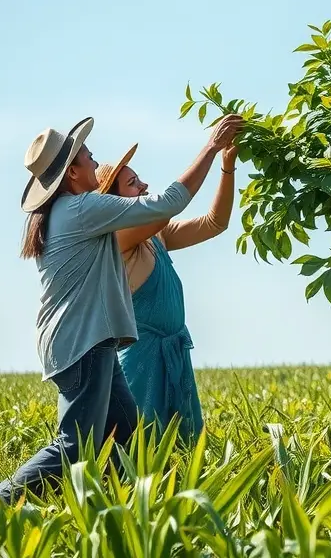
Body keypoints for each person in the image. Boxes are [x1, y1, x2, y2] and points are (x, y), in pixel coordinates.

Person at [0, 114, 242, 504]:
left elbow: (207, 222)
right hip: (83, 341)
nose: (93, 161)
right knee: (77, 444)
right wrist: (211, 148)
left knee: (127, 433)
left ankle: (119, 507)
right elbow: (171, 202)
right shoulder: (82, 209)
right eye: (88, 157)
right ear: (72, 173)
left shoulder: (72, 213)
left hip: (92, 341)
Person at [94, 140, 238, 442]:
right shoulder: (118, 238)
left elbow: (215, 223)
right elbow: (167, 207)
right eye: (133, 183)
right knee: (145, 449)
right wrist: (210, 148)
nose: (144, 185)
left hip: (174, 356)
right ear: (113, 201)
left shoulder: (155, 235)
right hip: (143, 363)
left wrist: (227, 166)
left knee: (182, 451)